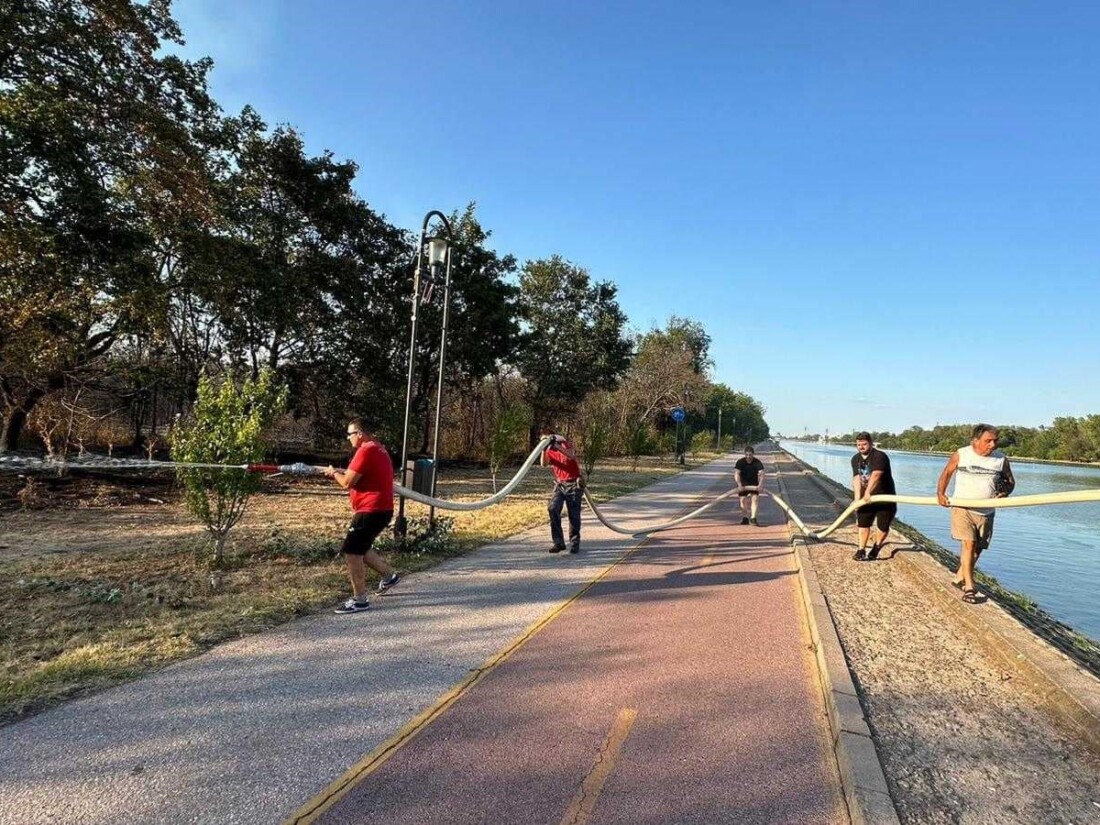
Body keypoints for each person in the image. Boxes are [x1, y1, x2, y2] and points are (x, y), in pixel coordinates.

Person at [324, 418, 401, 614]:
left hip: (370, 509)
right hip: (381, 509)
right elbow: (359, 475)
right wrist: (340, 472)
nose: (348, 438)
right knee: (362, 548)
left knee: (352, 551)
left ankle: (360, 600)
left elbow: (347, 482)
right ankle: (389, 576)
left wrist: (333, 474)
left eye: (350, 434)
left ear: (359, 433)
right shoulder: (378, 448)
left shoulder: (365, 450)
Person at [937, 423, 1015, 603]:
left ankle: (959, 577)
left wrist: (1005, 492)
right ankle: (970, 588)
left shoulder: (1000, 459)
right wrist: (940, 493)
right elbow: (947, 473)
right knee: (969, 544)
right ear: (975, 440)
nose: (993, 445)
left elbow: (1010, 482)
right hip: (962, 507)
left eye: (995, 441)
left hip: (986, 511)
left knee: (978, 549)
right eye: (988, 441)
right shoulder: (962, 454)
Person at [850, 432, 898, 561]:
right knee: (863, 524)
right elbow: (856, 479)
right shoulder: (855, 459)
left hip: (885, 498)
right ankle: (861, 550)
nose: (861, 447)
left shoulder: (879, 456)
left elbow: (876, 475)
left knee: (883, 526)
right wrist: (857, 499)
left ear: (870, 443)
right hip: (866, 499)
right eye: (858, 444)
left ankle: (876, 547)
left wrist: (867, 493)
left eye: (864, 444)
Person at [540, 428, 583, 554]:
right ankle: (558, 542)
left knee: (573, 515)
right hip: (560, 484)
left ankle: (574, 543)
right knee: (552, 508)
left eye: (546, 439)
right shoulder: (548, 450)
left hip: (573, 483)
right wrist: (544, 449)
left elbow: (571, 455)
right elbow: (544, 464)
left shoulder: (564, 444)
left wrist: (556, 445)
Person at [733, 445, 765, 526]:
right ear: (745, 454)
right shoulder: (740, 462)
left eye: (750, 455)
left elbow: (762, 474)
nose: (748, 457)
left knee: (755, 499)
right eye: (746, 455)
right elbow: (737, 474)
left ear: (753, 454)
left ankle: (753, 518)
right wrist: (739, 485)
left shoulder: (757, 462)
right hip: (743, 484)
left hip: (754, 484)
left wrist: (760, 484)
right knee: (743, 500)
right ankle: (745, 518)